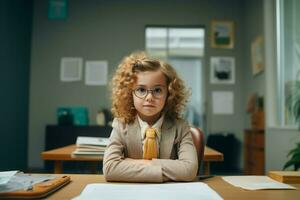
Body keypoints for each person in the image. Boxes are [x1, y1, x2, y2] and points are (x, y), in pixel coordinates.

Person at [103, 51, 198, 182]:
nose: (149, 97)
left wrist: (139, 164)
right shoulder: (121, 125)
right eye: (141, 90)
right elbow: (110, 169)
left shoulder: (180, 127)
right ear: (129, 93)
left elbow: (189, 170)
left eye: (158, 90)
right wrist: (170, 169)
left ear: (169, 94)